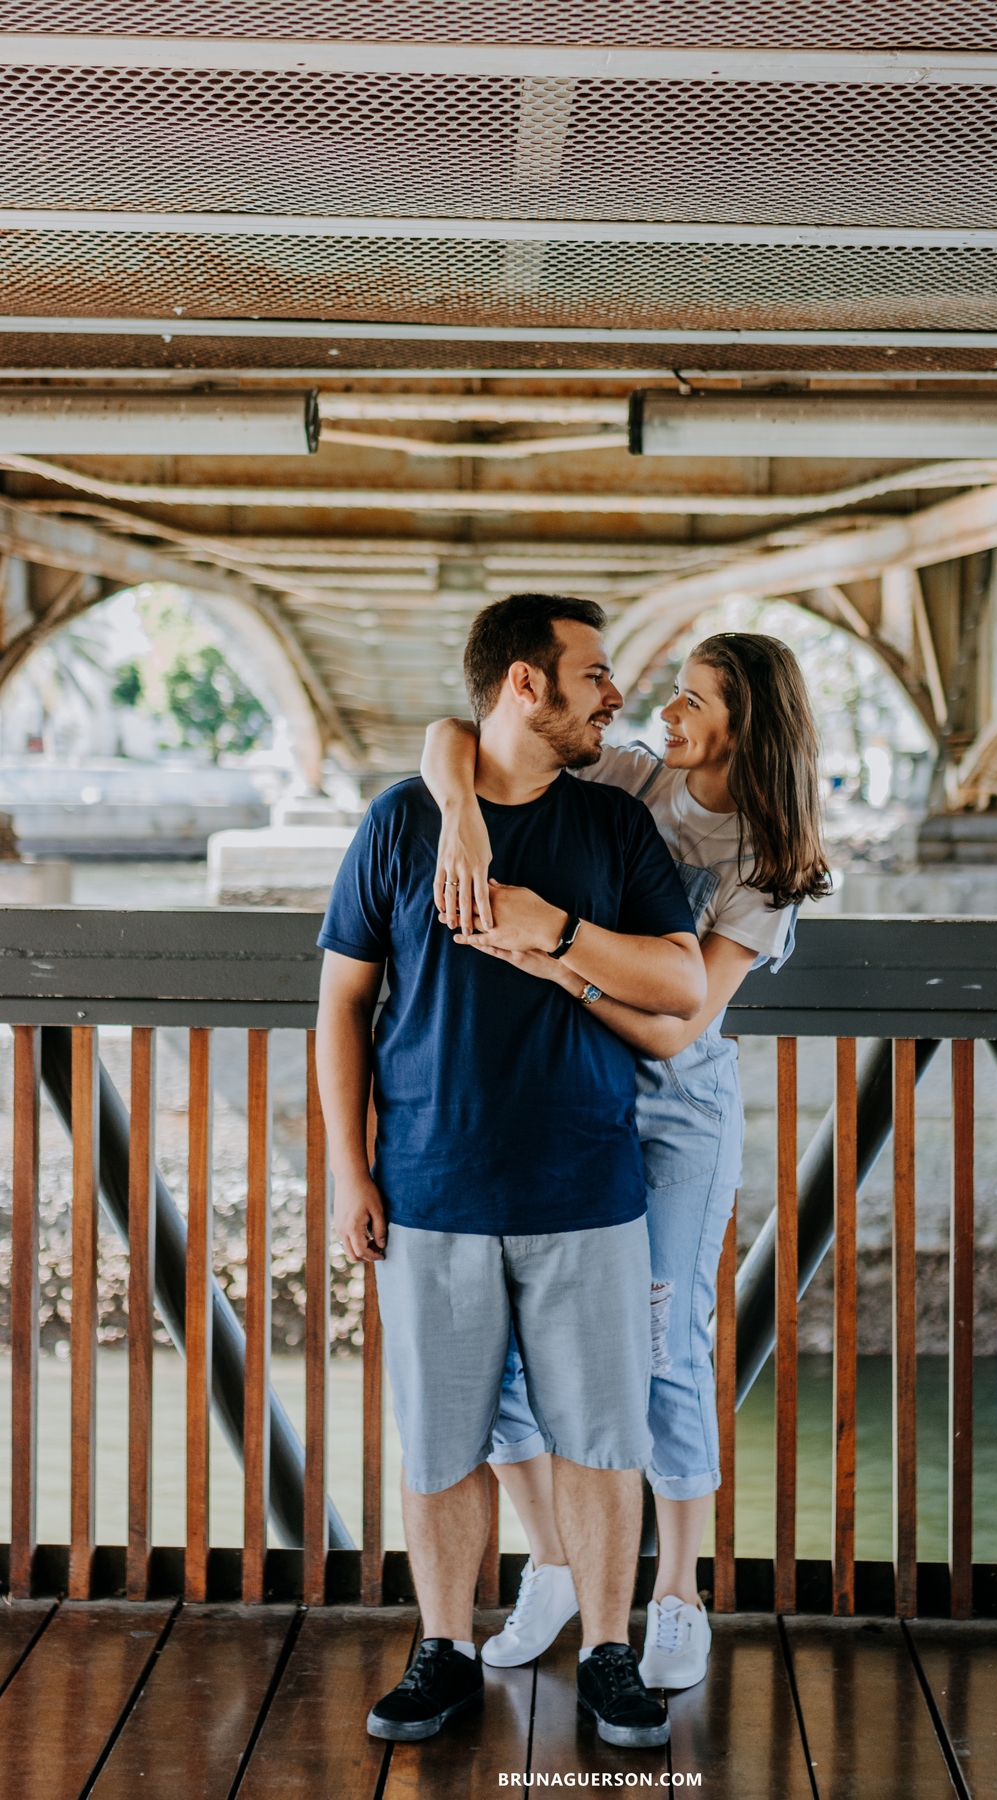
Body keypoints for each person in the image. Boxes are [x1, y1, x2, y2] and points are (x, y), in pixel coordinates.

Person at [316, 593, 706, 1747]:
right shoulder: (400, 823)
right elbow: (340, 1005)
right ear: (525, 685)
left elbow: (681, 983)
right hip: (430, 1189)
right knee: (441, 1439)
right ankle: (439, 1647)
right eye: (594, 674)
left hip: (589, 1187)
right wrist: (350, 1170)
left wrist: (552, 931)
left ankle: (609, 1654)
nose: (616, 695)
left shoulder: (615, 828)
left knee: (602, 1437)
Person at [424, 631, 830, 1689]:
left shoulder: (765, 862)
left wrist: (545, 949)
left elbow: (676, 1030)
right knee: (512, 1354)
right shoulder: (630, 774)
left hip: (672, 1116)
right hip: (562, 1097)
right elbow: (452, 738)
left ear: (749, 729)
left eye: (695, 702)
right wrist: (462, 817)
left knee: (663, 1348)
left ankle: (679, 1596)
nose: (666, 712)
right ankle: (552, 1563)